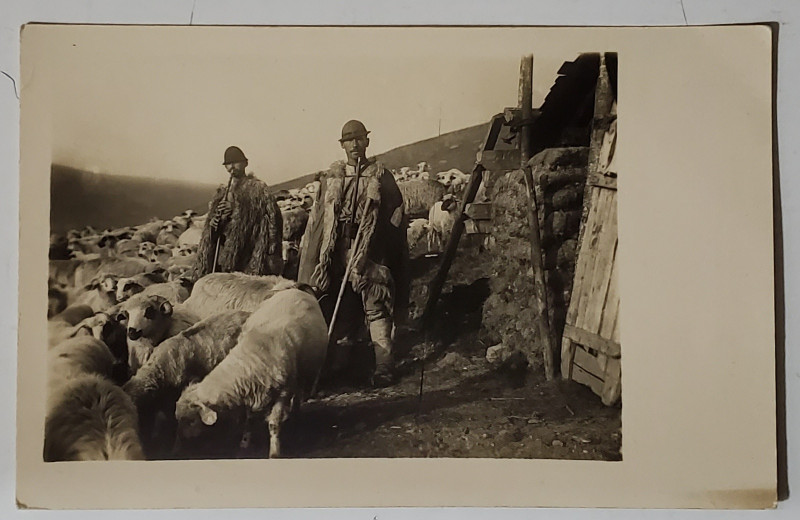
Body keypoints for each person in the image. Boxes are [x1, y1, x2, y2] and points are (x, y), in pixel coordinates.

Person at [298, 120, 409, 387]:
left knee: (375, 306)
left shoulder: (381, 176)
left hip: (369, 250)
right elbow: (318, 220)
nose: (355, 145)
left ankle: (384, 366)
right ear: (343, 145)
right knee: (339, 306)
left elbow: (396, 214)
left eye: (359, 139)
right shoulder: (332, 179)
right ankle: (339, 366)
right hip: (336, 250)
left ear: (367, 142)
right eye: (349, 141)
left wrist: (380, 241)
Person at [195, 146, 283, 277]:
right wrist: (214, 225)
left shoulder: (258, 189)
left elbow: (273, 219)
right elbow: (212, 231)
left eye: (236, 162)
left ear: (245, 163)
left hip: (249, 253)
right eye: (228, 164)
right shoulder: (221, 194)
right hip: (224, 255)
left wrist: (237, 210)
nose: (232, 167)